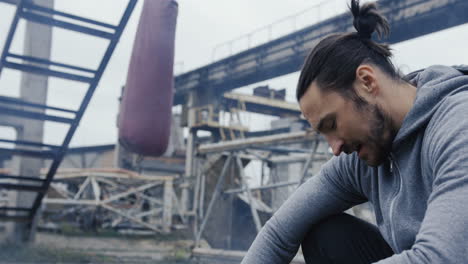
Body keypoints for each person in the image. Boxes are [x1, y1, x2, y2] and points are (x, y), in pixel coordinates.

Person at [241, 0, 468, 263]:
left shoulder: (457, 125)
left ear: (367, 82)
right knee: (327, 234)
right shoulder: (364, 155)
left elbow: (439, 258)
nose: (334, 148)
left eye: (332, 124)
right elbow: (279, 233)